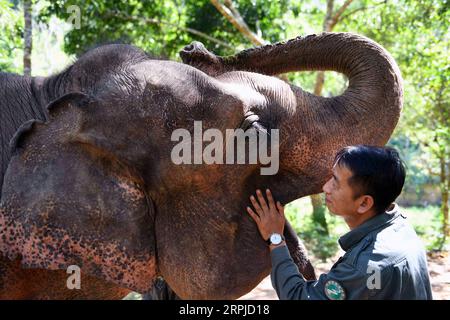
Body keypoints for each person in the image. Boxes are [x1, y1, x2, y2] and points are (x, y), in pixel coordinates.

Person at [247, 145, 433, 300]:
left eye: (335, 182)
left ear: (364, 203)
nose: (325, 187)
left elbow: (298, 297)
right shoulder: (401, 227)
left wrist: (275, 239)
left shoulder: (365, 266)